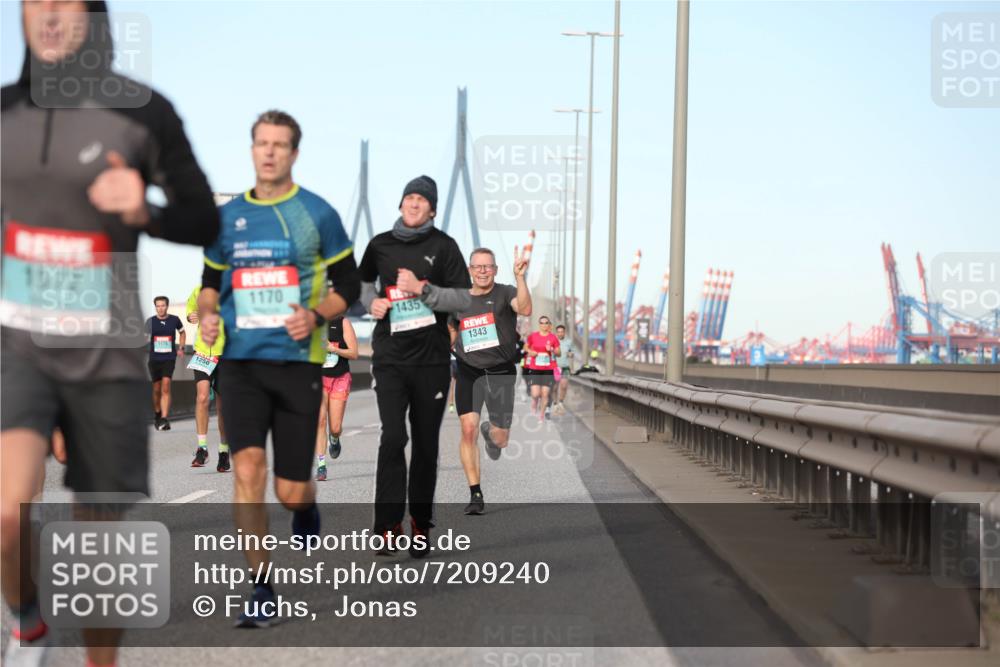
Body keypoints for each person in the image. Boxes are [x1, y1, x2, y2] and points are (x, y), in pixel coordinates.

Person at [1, 2, 219, 665]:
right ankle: (28, 614)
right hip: (21, 346)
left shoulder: (145, 112)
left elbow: (202, 217)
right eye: (35, 1)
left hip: (107, 355)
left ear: (95, 21)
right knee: (9, 513)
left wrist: (144, 208)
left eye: (67, 3)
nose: (49, 15)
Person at [197, 110, 359, 627]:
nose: (269, 152)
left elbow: (350, 288)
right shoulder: (225, 218)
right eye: (261, 143)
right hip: (240, 362)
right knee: (246, 470)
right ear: (251, 150)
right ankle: (261, 587)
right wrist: (204, 313)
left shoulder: (318, 214)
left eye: (280, 144)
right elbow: (209, 279)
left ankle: (306, 504)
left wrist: (314, 315)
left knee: (289, 490)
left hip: (296, 364)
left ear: (294, 153)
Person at [359, 175, 471, 557]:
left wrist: (423, 289)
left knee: (425, 445)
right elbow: (360, 284)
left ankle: (420, 523)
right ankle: (387, 525)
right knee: (392, 437)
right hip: (390, 357)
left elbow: (464, 299)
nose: (413, 203)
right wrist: (369, 303)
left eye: (421, 199)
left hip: (432, 362)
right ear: (401, 203)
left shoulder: (445, 246)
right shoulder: (379, 245)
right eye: (409, 196)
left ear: (432, 209)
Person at [450, 247, 531, 515]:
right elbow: (450, 327)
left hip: (500, 372)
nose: (483, 271)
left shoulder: (506, 291)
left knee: (501, 439)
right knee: (467, 428)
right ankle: (475, 494)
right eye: (478, 266)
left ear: (495, 270)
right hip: (468, 371)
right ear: (470, 271)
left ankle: (491, 433)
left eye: (488, 266)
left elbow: (526, 309)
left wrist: (521, 277)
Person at [185, 286, 229, 472]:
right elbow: (190, 310)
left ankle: (223, 451)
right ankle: (202, 449)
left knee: (223, 406)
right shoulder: (198, 290)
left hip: (226, 353)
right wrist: (190, 317)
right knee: (202, 397)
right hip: (203, 351)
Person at [315, 313, 357, 481]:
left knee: (335, 427)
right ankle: (321, 465)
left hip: (340, 377)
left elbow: (354, 353)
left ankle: (334, 438)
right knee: (320, 421)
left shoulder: (343, 323)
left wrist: (334, 349)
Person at [145, 296, 185, 430]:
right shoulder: (150, 321)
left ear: (167, 306)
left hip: (169, 358)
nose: (160, 308)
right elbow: (144, 338)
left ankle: (164, 418)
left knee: (166, 385)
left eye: (163, 305)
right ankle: (157, 413)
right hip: (154, 359)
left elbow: (182, 333)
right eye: (158, 306)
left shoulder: (174, 320)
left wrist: (181, 348)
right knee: (156, 389)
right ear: (155, 307)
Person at [523, 316, 561, 419]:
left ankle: (542, 415)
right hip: (535, 368)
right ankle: (535, 401)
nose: (544, 325)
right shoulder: (533, 336)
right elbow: (525, 347)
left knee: (545, 393)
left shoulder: (553, 337)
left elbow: (559, 353)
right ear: (539, 324)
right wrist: (531, 352)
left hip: (548, 369)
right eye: (542, 323)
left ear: (549, 324)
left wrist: (552, 349)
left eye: (546, 323)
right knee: (535, 394)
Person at [553, 324, 574, 414]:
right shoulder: (553, 342)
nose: (560, 333)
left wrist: (571, 354)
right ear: (556, 333)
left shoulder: (569, 342)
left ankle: (561, 403)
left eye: (562, 332)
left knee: (564, 386)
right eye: (559, 332)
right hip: (555, 367)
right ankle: (555, 404)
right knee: (554, 388)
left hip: (565, 367)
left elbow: (572, 352)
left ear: (564, 333)